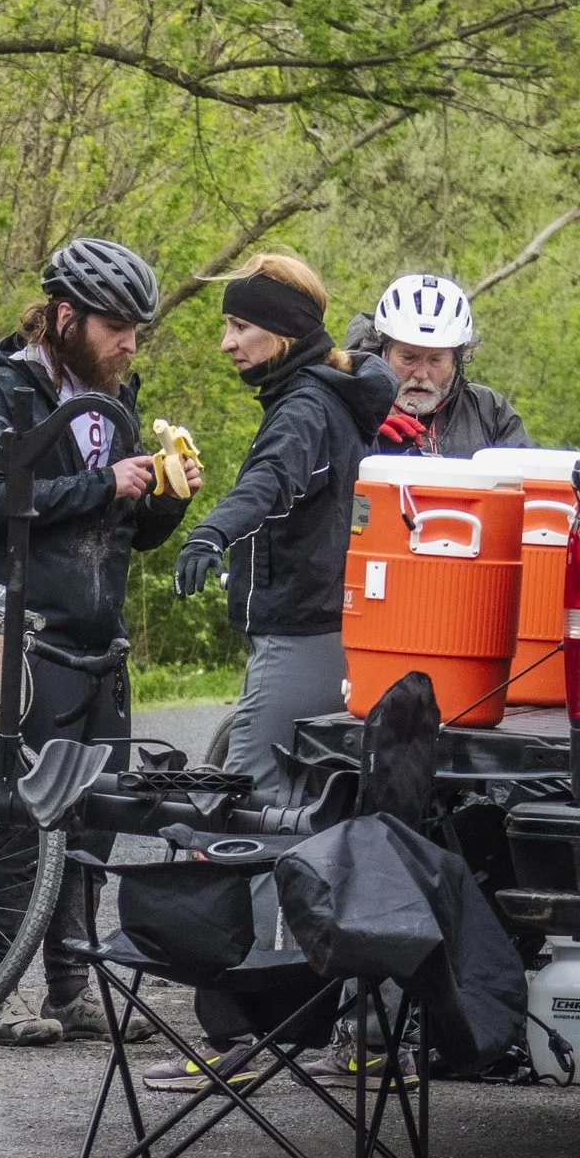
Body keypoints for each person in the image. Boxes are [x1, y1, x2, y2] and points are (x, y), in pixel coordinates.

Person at [0, 238, 192, 1044]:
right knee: (18, 821)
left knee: (95, 822)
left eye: (138, 330)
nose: (129, 342)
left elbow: (128, 532)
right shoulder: (9, 389)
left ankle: (69, 984)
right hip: (27, 636)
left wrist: (164, 495)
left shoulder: (118, 396)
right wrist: (99, 482)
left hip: (99, 644)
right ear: (64, 316)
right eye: (117, 326)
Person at [173, 254, 395, 798]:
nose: (227, 343)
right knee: (302, 804)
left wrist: (211, 532)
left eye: (240, 327)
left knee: (247, 802)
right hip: (328, 627)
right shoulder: (326, 399)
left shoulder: (304, 408)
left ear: (284, 333)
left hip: (298, 633)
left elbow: (272, 480)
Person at [343, 273, 530, 457]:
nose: (421, 374)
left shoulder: (489, 413)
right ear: (383, 353)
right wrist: (361, 442)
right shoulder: (345, 406)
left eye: (436, 360)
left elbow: (524, 481)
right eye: (408, 358)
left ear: (457, 359)